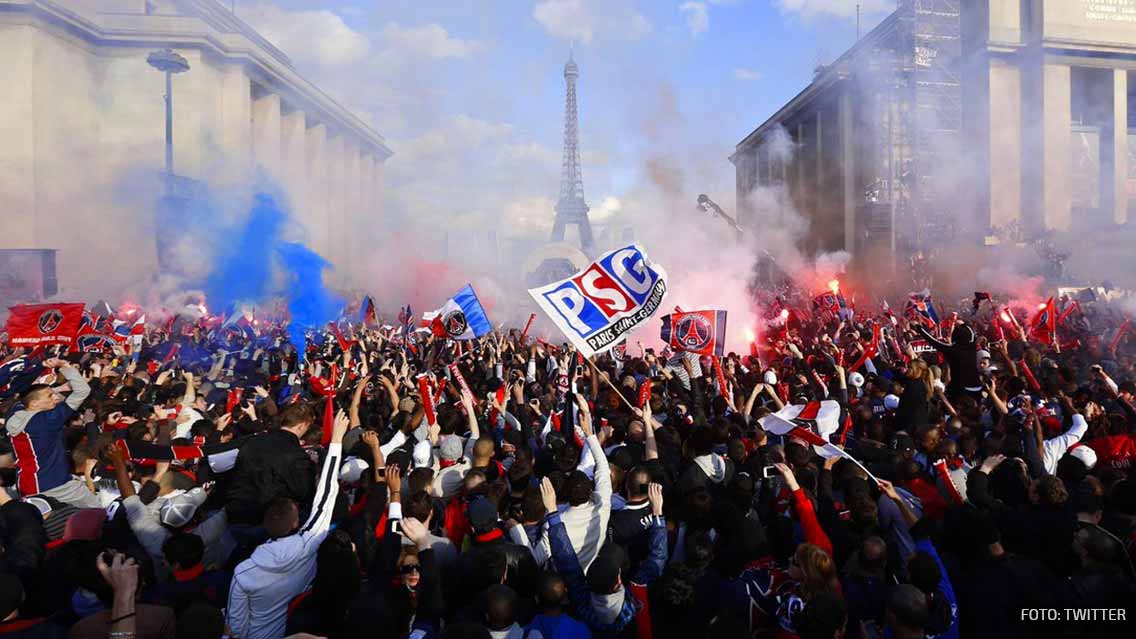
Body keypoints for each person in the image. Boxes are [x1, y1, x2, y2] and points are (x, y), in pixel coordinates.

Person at [225, 409, 347, 639]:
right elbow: (326, 494)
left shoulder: (242, 573)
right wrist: (337, 442)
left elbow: (237, 629)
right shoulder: (308, 544)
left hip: (238, 523)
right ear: (294, 523)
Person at [6, 359, 96, 507]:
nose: (55, 397)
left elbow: (22, 392)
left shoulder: (14, 413)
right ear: (34, 403)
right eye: (50, 396)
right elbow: (83, 391)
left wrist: (53, 383)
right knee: (100, 516)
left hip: (27, 484)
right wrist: (65, 366)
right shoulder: (48, 420)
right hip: (56, 485)